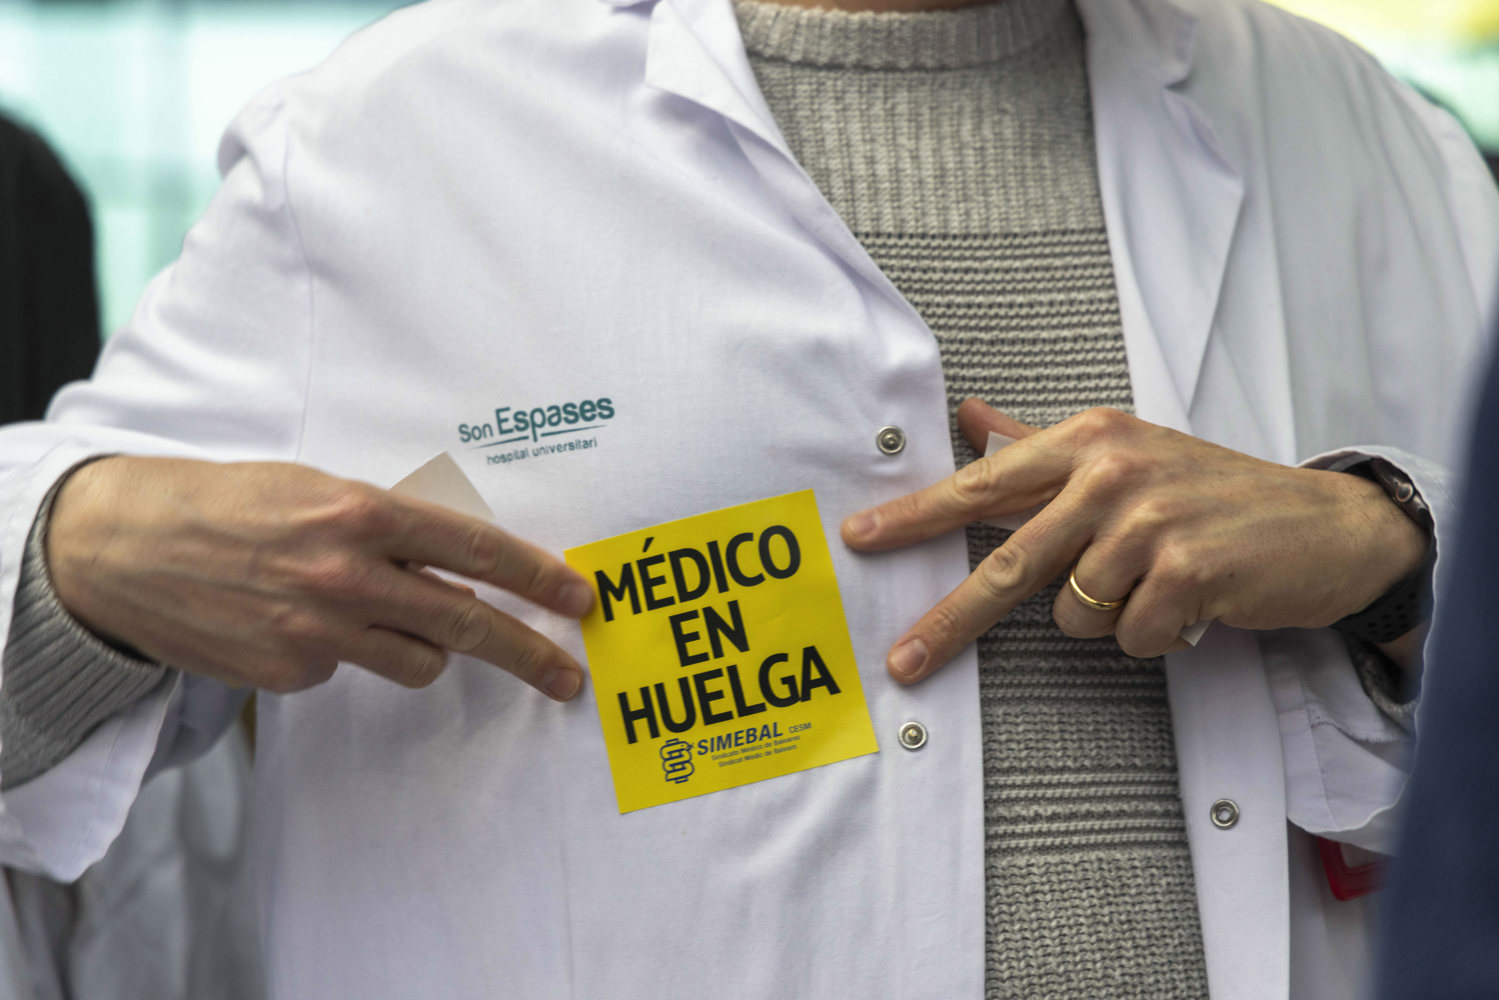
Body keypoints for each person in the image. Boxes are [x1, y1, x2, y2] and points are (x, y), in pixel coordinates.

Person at [0, 0, 1494, 997]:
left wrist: (1403, 556)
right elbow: (59, 616)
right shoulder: (392, 136)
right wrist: (82, 553)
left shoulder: (1370, 138)